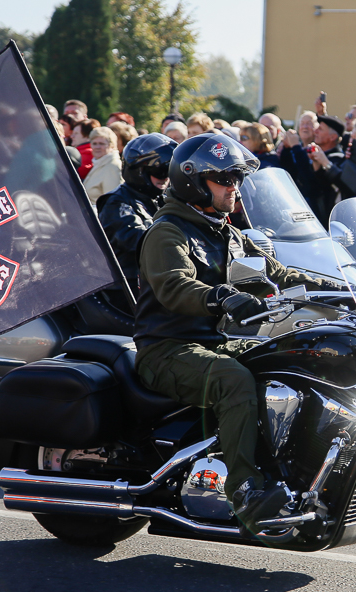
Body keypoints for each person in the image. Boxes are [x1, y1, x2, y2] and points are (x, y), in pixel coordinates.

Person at [132, 133, 344, 533]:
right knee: (233, 380)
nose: (234, 187)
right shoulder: (168, 231)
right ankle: (245, 490)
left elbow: (279, 274)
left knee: (291, 358)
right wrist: (221, 296)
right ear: (194, 182)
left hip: (214, 343)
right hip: (167, 349)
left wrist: (340, 289)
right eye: (224, 179)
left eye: (237, 179)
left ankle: (297, 472)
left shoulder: (226, 232)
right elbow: (174, 285)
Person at [96, 132, 176, 300]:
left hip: (157, 281)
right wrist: (178, 241)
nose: (165, 177)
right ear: (139, 171)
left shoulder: (161, 199)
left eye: (168, 171)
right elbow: (135, 239)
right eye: (160, 171)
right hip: (129, 288)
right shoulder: (116, 202)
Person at [302, 114, 347, 226]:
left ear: (332, 137)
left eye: (320, 129)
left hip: (329, 222)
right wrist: (316, 163)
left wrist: (325, 163)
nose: (315, 131)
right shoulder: (320, 155)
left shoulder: (339, 160)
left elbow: (325, 189)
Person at [82, 126, 123, 204]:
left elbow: (112, 202)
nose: (97, 147)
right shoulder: (99, 163)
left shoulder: (113, 166)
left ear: (111, 145)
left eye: (102, 144)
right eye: (94, 143)